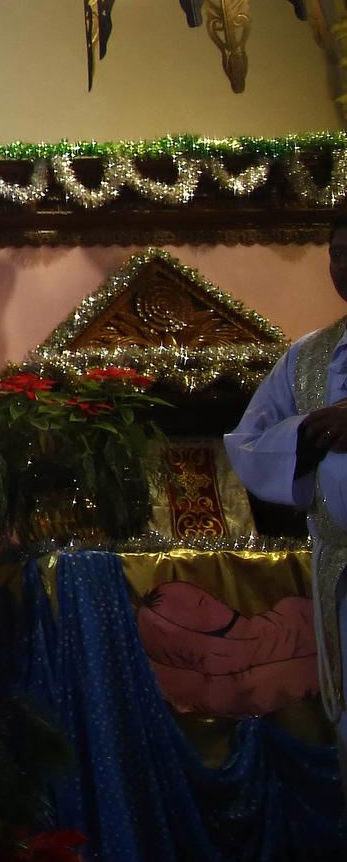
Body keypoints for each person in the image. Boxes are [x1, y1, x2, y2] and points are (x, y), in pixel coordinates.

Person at [226, 206, 347, 751]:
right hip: (339, 563)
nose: (344, 266)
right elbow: (247, 441)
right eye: (338, 254)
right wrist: (307, 432)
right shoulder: (309, 356)